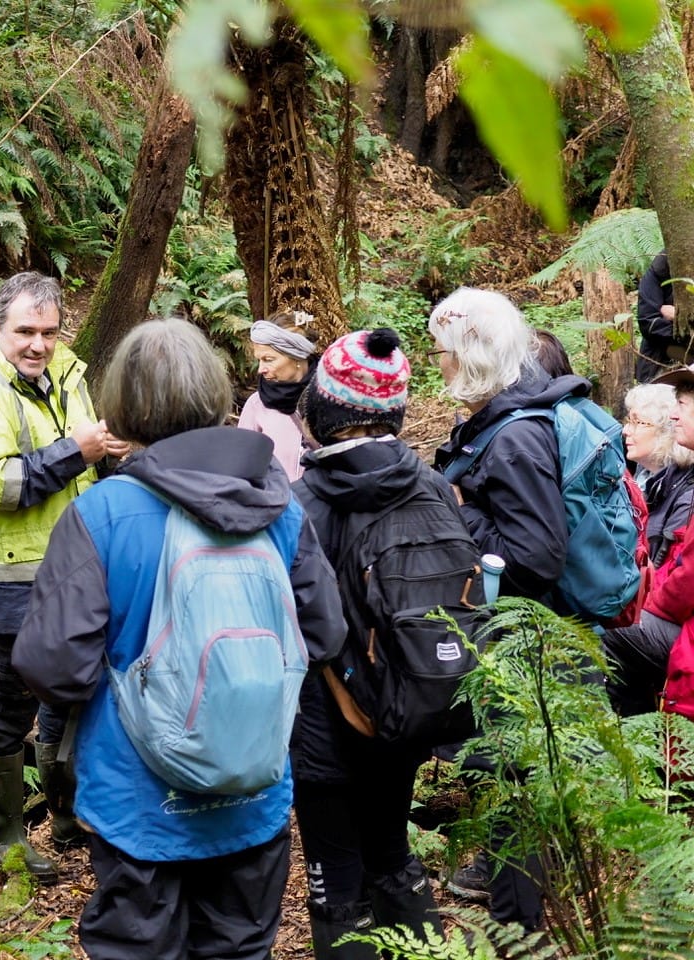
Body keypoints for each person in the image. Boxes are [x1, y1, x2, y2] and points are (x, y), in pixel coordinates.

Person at [12, 317, 345, 960]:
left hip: (138, 802)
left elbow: (54, 665)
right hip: (254, 791)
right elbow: (324, 633)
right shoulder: (278, 506)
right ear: (212, 395)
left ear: (123, 407)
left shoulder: (101, 515)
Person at [0, 271, 129, 879]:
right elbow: (2, 483)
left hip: (74, 567)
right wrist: (81, 450)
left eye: (48, 331)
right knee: (9, 702)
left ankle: (69, 818)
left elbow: (87, 464)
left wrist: (110, 461)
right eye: (25, 331)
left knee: (72, 692)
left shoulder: (67, 374)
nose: (38, 344)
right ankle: (8, 838)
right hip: (9, 580)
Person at [430, 288, 585, 932]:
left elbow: (538, 557)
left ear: (471, 354)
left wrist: (460, 513)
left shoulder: (516, 437)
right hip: (513, 633)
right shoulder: (503, 418)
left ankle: (519, 930)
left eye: (442, 352)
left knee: (517, 778)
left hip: (526, 638)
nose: (436, 363)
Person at [290, 329, 446, 959]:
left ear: (324, 410)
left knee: (336, 877)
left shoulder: (301, 504)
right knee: (392, 849)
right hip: (407, 712)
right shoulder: (431, 486)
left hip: (325, 724)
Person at [603, 371, 694, 717]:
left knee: (608, 626)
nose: (674, 416)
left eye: (682, 406)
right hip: (674, 614)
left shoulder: (682, 488)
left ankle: (633, 742)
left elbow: (683, 584)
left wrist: (637, 603)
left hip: (682, 629)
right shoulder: (653, 479)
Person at [237, 310, 319, 480]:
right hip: (276, 503)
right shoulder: (257, 404)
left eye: (268, 359)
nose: (260, 370)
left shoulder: (327, 399)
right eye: (258, 360)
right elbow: (242, 465)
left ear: (296, 357)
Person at [621, 383, 694, 566]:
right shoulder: (645, 478)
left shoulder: (685, 491)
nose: (626, 431)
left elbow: (670, 567)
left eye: (637, 422)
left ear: (666, 431)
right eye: (628, 421)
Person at [637, 250, 690, 383]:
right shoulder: (660, 270)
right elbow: (648, 323)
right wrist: (684, 325)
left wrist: (675, 316)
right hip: (657, 364)